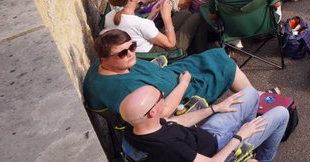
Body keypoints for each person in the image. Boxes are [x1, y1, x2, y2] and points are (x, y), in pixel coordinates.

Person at [120, 85, 290, 162]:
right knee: (282, 113)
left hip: (207, 135)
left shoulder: (136, 126)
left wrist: (215, 108)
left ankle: (250, 146)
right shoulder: (168, 147)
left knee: (250, 93)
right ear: (153, 112)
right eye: (160, 96)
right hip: (220, 153)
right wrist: (240, 136)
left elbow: (177, 122)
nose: (164, 95)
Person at [83, 29, 249, 115]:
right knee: (225, 66)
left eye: (132, 47)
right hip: (183, 93)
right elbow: (163, 111)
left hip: (167, 74)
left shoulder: (101, 65)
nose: (130, 53)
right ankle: (255, 99)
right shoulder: (127, 90)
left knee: (215, 55)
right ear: (105, 58)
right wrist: (184, 83)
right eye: (122, 53)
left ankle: (254, 95)